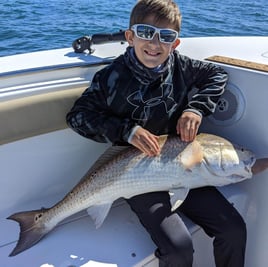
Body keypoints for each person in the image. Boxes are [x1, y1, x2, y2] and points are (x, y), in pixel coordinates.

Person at [66, 0, 246, 266]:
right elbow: (78, 116)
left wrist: (196, 109)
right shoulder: (110, 77)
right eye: (146, 33)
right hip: (137, 172)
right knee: (179, 248)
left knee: (233, 229)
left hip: (185, 165)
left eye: (166, 36)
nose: (155, 44)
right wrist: (127, 131)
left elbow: (217, 75)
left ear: (175, 43)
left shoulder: (184, 67)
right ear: (130, 37)